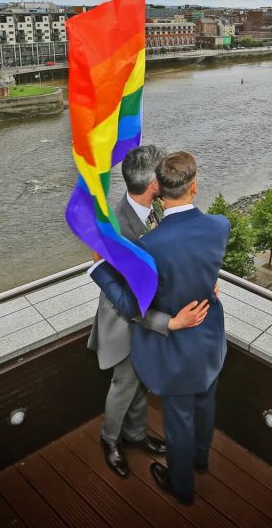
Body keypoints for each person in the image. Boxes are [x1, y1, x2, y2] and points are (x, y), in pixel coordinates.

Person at [91, 151, 230, 505]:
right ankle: (115, 439)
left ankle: (165, 464)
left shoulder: (148, 245)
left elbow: (138, 292)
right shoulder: (219, 225)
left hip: (172, 339)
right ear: (192, 187)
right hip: (192, 335)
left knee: (179, 414)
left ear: (159, 188)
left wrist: (98, 270)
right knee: (131, 387)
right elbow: (129, 306)